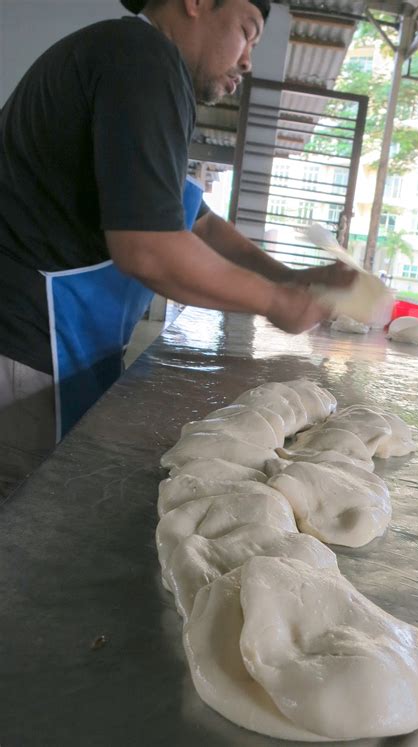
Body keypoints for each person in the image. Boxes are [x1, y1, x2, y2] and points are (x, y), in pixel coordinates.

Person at [0, 0, 355, 497]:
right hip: (22, 351)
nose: (248, 60)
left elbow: (198, 222)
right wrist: (280, 303)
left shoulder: (134, 62)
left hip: (55, 344)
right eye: (246, 30)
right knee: (23, 537)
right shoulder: (142, 58)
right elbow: (149, 248)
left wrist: (290, 278)